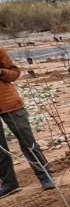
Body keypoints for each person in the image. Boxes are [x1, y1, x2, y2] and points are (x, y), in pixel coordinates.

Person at [0, 44, 55, 197]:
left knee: (27, 141)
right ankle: (10, 184)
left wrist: (1, 72)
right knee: (0, 149)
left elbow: (15, 73)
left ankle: (45, 176)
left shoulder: (0, 51)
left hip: (10, 105)